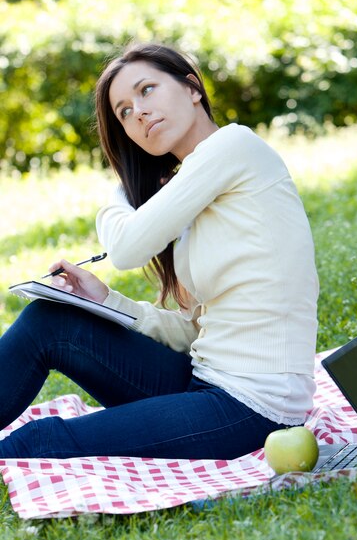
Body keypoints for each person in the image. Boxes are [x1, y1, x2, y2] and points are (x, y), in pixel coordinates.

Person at [0, 43, 319, 460]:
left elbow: (126, 248)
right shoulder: (195, 185)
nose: (139, 112)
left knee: (39, 442)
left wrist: (120, 194)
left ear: (192, 89)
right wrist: (106, 301)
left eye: (146, 90)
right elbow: (194, 330)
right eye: (125, 112)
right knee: (52, 318)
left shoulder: (234, 148)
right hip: (203, 379)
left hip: (253, 408)